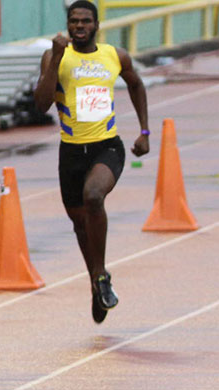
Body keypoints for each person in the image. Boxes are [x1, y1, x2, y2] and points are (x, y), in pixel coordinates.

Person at [34, 0, 150, 324]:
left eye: (86, 21)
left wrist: (144, 131)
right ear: (68, 25)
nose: (80, 26)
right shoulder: (55, 56)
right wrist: (56, 57)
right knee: (80, 226)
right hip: (71, 153)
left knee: (94, 197)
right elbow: (41, 103)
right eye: (74, 21)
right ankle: (96, 283)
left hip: (106, 148)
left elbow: (137, 84)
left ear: (97, 25)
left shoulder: (115, 56)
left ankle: (101, 276)